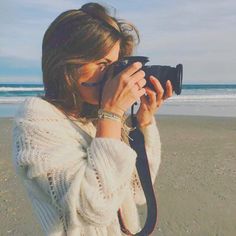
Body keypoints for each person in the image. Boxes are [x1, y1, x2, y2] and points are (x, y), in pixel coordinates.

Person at [12, 2, 173, 235]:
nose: (110, 75)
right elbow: (93, 208)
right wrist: (112, 112)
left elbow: (137, 190)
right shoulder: (37, 117)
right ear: (66, 63)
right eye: (102, 64)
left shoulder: (98, 119)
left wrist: (144, 121)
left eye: (114, 64)